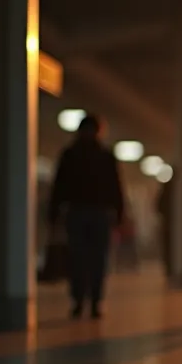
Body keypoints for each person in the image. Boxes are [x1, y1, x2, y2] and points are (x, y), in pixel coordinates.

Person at [48, 113, 126, 320]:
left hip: (76, 212)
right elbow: (116, 188)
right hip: (99, 214)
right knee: (98, 259)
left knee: (78, 258)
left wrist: (53, 214)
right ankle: (95, 301)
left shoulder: (70, 154)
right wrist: (119, 214)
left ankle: (78, 299)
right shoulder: (105, 155)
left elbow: (59, 186)